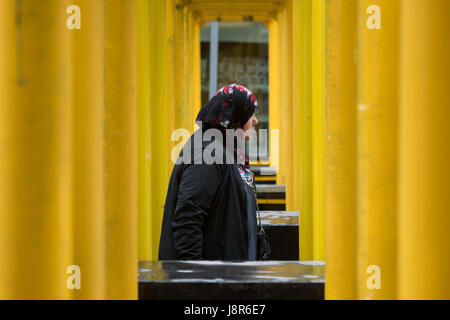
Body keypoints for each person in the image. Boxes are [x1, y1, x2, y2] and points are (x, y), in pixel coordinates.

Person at [158, 83, 262, 261]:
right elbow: (188, 220)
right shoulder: (208, 153)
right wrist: (198, 278)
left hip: (226, 275)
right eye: (250, 113)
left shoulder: (226, 149)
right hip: (213, 279)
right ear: (235, 115)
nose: (255, 120)